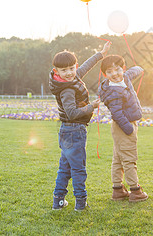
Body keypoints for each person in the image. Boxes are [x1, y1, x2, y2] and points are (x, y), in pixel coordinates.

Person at [49, 41, 111, 211]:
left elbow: (86, 65)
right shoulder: (67, 89)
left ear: (74, 66)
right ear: (56, 71)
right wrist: (92, 107)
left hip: (67, 131)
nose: (69, 73)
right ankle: (81, 203)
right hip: (74, 130)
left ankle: (58, 202)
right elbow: (72, 113)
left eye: (71, 68)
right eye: (64, 70)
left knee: (65, 167)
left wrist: (101, 53)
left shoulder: (72, 77)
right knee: (78, 168)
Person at [98, 55, 148, 203]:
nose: (115, 74)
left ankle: (118, 190)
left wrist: (140, 68)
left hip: (124, 125)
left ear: (122, 69)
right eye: (110, 71)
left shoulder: (124, 78)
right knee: (129, 159)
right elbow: (117, 113)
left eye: (118, 69)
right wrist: (128, 129)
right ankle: (135, 190)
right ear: (104, 74)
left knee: (118, 158)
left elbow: (132, 72)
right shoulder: (113, 91)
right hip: (123, 126)